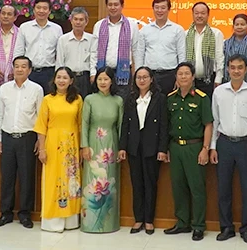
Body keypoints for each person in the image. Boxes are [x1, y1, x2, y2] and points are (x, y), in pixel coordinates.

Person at [210, 54, 247, 244]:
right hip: (223, 143)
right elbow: (215, 121)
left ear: (246, 69)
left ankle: (246, 229)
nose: (236, 71)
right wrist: (213, 147)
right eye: (232, 67)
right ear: (228, 69)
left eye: (240, 67)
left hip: (246, 144)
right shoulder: (219, 92)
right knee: (223, 188)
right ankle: (226, 227)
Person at [164, 62, 213, 241]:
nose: (183, 77)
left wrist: (205, 149)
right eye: (180, 74)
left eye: (187, 73)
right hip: (175, 147)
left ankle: (198, 225)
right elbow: (167, 125)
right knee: (178, 187)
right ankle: (182, 222)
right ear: (176, 77)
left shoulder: (201, 98)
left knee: (197, 187)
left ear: (193, 77)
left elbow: (208, 125)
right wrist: (168, 148)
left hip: (195, 147)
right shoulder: (170, 98)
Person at [0, 56, 42, 229]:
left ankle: (25, 214)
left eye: (23, 67)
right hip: (7, 137)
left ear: (29, 70)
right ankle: (5, 213)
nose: (20, 69)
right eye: (16, 66)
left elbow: (40, 117)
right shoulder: (5, 88)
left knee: (26, 177)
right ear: (12, 69)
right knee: (7, 177)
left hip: (27, 138)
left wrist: (38, 140)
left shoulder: (36, 89)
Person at [119, 66, 168, 235]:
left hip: (152, 148)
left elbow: (164, 125)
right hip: (134, 147)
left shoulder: (160, 99)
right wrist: (122, 147)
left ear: (151, 79)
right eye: (139, 77)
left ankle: (149, 220)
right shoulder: (130, 98)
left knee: (150, 184)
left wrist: (162, 149)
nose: (141, 80)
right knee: (137, 183)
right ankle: (138, 218)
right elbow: (125, 124)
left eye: (145, 77)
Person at [34, 67, 84, 233]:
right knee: (53, 180)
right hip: (52, 145)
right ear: (54, 80)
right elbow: (41, 127)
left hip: (71, 145)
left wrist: (82, 148)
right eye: (59, 77)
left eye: (65, 78)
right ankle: (52, 221)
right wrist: (42, 149)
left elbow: (80, 125)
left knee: (71, 181)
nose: (62, 80)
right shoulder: (48, 100)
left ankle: (70, 220)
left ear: (71, 81)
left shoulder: (77, 100)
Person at [80, 65, 124, 233]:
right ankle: (89, 223)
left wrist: (121, 148)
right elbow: (84, 124)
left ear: (112, 81)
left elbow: (120, 126)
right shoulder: (89, 99)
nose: (103, 82)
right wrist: (84, 146)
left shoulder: (118, 101)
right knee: (93, 181)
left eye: (106, 79)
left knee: (109, 181)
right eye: (100, 79)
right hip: (93, 143)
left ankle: (109, 222)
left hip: (111, 146)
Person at [93, 0, 142, 93]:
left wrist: (138, 73)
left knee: (122, 103)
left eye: (116, 4)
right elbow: (94, 51)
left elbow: (136, 50)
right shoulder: (99, 25)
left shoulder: (132, 26)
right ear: (106, 6)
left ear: (122, 6)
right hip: (104, 73)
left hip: (124, 73)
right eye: (110, 5)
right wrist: (93, 73)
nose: (113, 7)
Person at [138, 0, 186, 95]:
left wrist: (180, 77)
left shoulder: (177, 30)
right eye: (157, 7)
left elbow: (182, 55)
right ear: (153, 9)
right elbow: (140, 54)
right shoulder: (144, 30)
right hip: (149, 75)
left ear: (169, 9)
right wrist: (139, 76)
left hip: (170, 75)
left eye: (163, 8)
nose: (159, 10)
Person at [16, 0, 63, 91]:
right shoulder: (24, 27)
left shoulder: (57, 29)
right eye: (38, 8)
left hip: (49, 72)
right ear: (33, 10)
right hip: (29, 72)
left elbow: (60, 54)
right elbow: (19, 51)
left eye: (45, 8)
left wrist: (58, 74)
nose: (41, 11)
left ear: (49, 11)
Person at [56, 7, 98, 99]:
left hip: (85, 78)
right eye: (75, 19)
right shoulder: (63, 39)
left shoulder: (92, 39)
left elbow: (93, 59)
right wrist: (59, 78)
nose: (78, 22)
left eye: (81, 20)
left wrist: (93, 75)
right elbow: (60, 61)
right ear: (71, 21)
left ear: (86, 22)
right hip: (68, 77)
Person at [185, 1, 225, 96]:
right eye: (197, 13)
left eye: (203, 13)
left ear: (208, 15)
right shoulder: (186, 34)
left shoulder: (216, 33)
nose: (199, 16)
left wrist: (219, 78)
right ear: (193, 14)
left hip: (210, 80)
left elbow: (220, 57)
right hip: (190, 81)